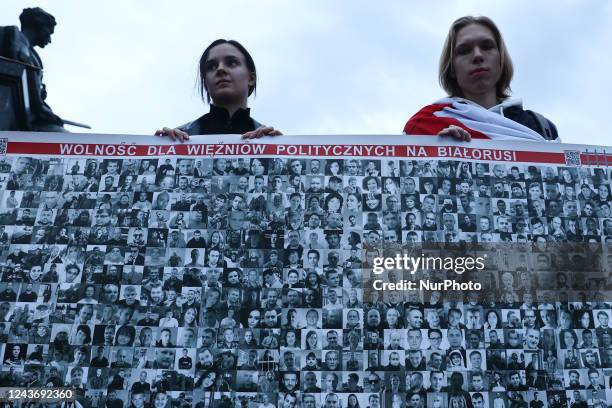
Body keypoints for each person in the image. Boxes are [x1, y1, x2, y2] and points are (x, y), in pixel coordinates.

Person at [403, 16, 558, 141]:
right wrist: (439, 150)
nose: (477, 55)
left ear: (501, 59)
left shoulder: (542, 127)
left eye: (486, 46)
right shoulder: (426, 124)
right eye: (464, 50)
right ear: (452, 68)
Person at [155, 39, 281, 140]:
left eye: (231, 63)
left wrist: (282, 151)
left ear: (251, 78)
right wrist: (159, 147)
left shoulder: (269, 139)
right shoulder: (179, 138)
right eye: (211, 66)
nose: (220, 69)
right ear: (205, 82)